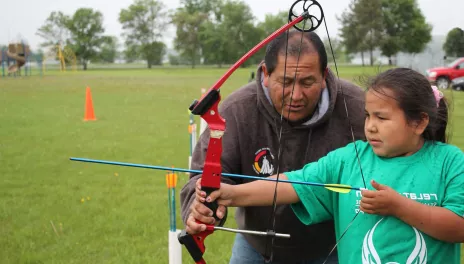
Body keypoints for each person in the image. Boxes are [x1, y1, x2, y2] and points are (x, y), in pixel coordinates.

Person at [193, 67, 464, 263]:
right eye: (368, 115)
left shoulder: (450, 161)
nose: (370, 126)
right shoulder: (350, 158)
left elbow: (459, 227)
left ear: (419, 122)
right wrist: (231, 194)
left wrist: (398, 206)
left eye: (382, 118)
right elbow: (293, 184)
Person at [180, 30, 366, 263]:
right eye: (286, 82)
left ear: (324, 75)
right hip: (256, 245)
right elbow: (203, 177)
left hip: (334, 246)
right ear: (266, 74)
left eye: (307, 82)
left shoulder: (359, 108)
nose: (296, 95)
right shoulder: (236, 110)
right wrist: (201, 210)